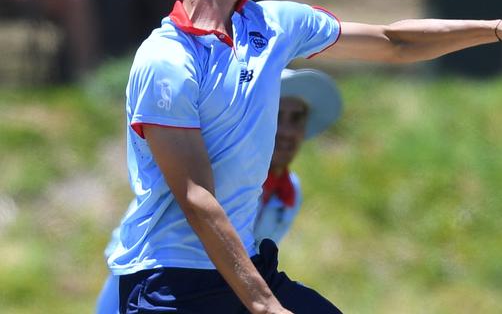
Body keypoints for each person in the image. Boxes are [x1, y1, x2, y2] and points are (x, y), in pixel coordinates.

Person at [107, 0, 502, 314]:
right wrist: (264, 304)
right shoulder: (166, 60)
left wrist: (499, 28)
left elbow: (394, 42)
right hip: (169, 284)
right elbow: (196, 195)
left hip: (240, 270)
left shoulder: (274, 25)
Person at [96, 68, 342, 313]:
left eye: (296, 118)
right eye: (276, 115)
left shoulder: (289, 193)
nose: (287, 131)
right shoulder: (205, 174)